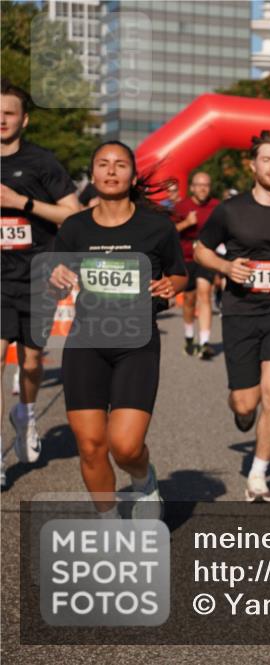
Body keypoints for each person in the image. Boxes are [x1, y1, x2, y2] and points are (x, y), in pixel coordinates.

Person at [48, 140, 187, 519]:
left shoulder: (156, 227)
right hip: (86, 342)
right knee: (91, 444)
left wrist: (169, 286)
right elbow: (55, 279)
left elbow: (178, 275)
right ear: (92, 174)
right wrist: (57, 277)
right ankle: (108, 522)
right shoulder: (74, 228)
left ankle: (143, 480)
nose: (111, 171)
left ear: (133, 174)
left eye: (120, 164)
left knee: (124, 446)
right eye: (103, 164)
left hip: (136, 343)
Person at [195, 130, 270, 502]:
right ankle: (245, 417)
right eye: (267, 159)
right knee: (245, 403)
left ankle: (259, 473)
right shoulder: (230, 210)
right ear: (253, 165)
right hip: (240, 312)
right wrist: (226, 267)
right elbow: (201, 251)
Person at [1, 79, 81, 481]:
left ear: (24, 119)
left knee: (32, 362)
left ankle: (26, 414)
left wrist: (21, 204)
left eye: (9, 112)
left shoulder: (42, 163)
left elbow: (73, 214)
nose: (1, 119)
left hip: (38, 275)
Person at [174, 171, 220, 358]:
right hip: (186, 258)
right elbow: (168, 232)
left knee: (204, 294)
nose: (203, 188)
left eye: (206, 185)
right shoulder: (181, 206)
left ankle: (205, 342)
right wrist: (186, 223)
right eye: (199, 185)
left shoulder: (217, 207)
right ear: (192, 187)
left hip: (207, 257)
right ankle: (189, 338)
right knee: (189, 300)